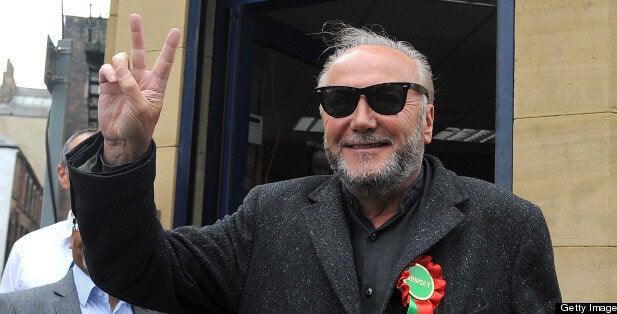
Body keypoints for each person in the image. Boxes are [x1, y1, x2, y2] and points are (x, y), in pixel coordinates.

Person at [66, 13, 561, 313]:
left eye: (387, 98)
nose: (362, 119)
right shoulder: (269, 217)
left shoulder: (509, 227)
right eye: (341, 101)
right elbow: (135, 270)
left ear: (428, 121)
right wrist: (122, 152)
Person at [0, 129, 96, 293]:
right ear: (63, 176)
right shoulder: (27, 251)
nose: (95, 174)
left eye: (108, 165)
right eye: (85, 163)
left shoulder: (140, 253)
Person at [0, 218, 160, 313]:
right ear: (72, 235)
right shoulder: (18, 307)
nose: (99, 237)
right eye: (88, 222)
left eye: (114, 224)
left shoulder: (160, 306)